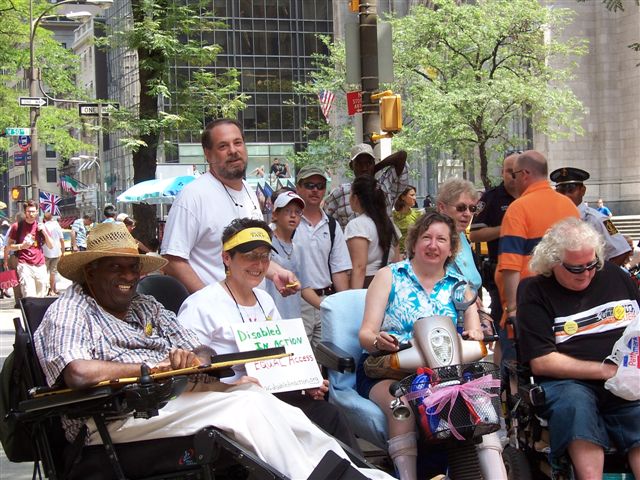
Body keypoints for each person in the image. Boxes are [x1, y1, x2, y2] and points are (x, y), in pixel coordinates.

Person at [34, 222, 392, 480]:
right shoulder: (70, 310)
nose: (128, 276)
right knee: (245, 408)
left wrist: (193, 359)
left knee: (258, 396)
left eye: (132, 267)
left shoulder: (146, 306)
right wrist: (156, 366)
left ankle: (359, 473)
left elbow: (199, 347)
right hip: (112, 418)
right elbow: (78, 372)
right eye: (116, 267)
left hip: (167, 402)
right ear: (90, 273)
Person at [178, 218, 361, 451]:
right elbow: (185, 374)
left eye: (265, 256)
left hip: (272, 395)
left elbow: (281, 357)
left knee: (330, 416)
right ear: (226, 258)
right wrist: (231, 385)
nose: (259, 264)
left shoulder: (265, 300)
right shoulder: (201, 305)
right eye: (249, 255)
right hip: (230, 402)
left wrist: (305, 381)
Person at [356, 212, 505, 480]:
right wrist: (379, 340)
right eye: (426, 237)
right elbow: (366, 333)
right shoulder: (389, 276)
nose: (433, 245)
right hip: (393, 368)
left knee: (482, 403)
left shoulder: (459, 286)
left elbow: (473, 330)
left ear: (451, 249)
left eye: (441, 239)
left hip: (445, 371)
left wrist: (473, 333)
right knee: (399, 408)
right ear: (413, 243)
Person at [517, 218, 640, 479]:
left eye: (591, 265)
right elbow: (542, 361)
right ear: (553, 262)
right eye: (576, 269)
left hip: (627, 378)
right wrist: (608, 371)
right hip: (569, 383)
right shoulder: (534, 291)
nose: (586, 274)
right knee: (576, 407)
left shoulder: (617, 277)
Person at [161, 118, 297, 294]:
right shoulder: (193, 195)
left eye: (238, 143)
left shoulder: (249, 191)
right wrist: (211, 303)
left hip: (252, 312)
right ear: (208, 154)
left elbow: (249, 256)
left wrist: (278, 273)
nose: (233, 151)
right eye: (223, 146)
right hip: (212, 317)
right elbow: (172, 260)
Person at [496, 150, 579, 327]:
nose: (513, 179)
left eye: (515, 174)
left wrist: (512, 309)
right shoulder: (569, 206)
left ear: (525, 174)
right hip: (566, 300)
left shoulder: (517, 209)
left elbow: (511, 265)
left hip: (530, 302)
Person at [469, 152, 519, 364]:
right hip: (501, 271)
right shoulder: (490, 199)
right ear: (502, 172)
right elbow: (476, 234)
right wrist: (505, 229)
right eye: (509, 171)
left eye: (517, 171)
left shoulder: (529, 196)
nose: (513, 176)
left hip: (532, 272)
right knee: (503, 325)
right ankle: (501, 380)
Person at [295, 164, 352, 347]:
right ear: (298, 187)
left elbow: (339, 269)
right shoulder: (288, 224)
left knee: (327, 360)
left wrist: (344, 306)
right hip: (296, 302)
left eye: (320, 186)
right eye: (309, 185)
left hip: (326, 300)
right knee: (298, 358)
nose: (315, 190)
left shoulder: (332, 226)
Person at [550, 167, 630, 266]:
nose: (566, 196)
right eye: (561, 191)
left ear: (582, 190)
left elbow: (622, 250)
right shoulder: (555, 218)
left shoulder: (597, 219)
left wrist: (602, 277)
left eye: (571, 190)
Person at [324, 144, 409, 228]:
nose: (364, 168)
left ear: (374, 164)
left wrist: (375, 169)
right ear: (351, 166)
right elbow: (326, 223)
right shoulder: (340, 192)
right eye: (359, 164)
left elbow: (401, 155)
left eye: (368, 163)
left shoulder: (384, 186)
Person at [262, 190, 311, 319]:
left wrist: (326, 305)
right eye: (287, 211)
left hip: (293, 318)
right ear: (275, 215)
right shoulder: (264, 244)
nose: (293, 216)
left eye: (297, 212)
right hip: (270, 317)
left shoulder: (298, 249)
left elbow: (304, 287)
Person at [345, 175, 399, 289]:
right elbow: (396, 261)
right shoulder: (390, 225)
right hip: (389, 283)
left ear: (355, 198)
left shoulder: (357, 225)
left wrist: (355, 296)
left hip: (367, 284)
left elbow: (359, 267)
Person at [436, 178, 482, 291]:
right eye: (461, 208)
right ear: (442, 207)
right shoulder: (435, 238)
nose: (467, 214)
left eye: (472, 208)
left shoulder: (461, 235)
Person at [5, 200, 53, 298]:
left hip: (40, 265)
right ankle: (29, 312)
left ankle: (38, 313)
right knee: (29, 295)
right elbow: (9, 246)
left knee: (41, 296)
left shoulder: (41, 226)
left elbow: (51, 245)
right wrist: (21, 246)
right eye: (28, 211)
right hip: (24, 264)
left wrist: (43, 231)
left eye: (33, 211)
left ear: (36, 212)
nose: (31, 214)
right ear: (25, 212)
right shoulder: (17, 226)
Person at [392, 186, 423, 258]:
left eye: (415, 195)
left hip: (412, 254)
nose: (415, 198)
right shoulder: (392, 215)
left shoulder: (418, 215)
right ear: (403, 197)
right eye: (412, 195)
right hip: (395, 255)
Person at [42, 212, 65, 296]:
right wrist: (63, 251)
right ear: (52, 218)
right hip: (56, 252)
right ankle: (52, 290)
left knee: (44, 272)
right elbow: (62, 239)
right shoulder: (57, 226)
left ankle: (47, 289)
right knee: (53, 272)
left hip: (45, 252)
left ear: (44, 218)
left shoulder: (43, 226)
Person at [0, 219, 11, 298]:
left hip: (6, 257)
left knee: (6, 275)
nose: (5, 228)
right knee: (3, 274)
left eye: (6, 227)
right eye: (4, 227)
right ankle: (2, 291)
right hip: (2, 257)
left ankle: (5, 290)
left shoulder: (9, 236)